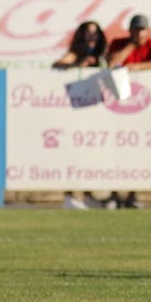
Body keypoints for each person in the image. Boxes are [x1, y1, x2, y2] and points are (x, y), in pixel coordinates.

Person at [105, 14, 151, 208]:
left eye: (143, 30)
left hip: (140, 108)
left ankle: (132, 195)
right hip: (117, 106)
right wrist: (131, 46)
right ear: (130, 31)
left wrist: (136, 67)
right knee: (115, 150)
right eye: (137, 30)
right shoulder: (119, 43)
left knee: (137, 152)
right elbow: (111, 62)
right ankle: (114, 193)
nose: (140, 33)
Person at [53, 20, 109, 209]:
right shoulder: (76, 54)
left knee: (89, 156)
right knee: (73, 153)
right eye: (88, 33)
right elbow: (58, 65)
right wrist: (79, 64)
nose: (91, 37)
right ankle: (70, 195)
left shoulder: (101, 57)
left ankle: (87, 195)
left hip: (95, 112)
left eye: (95, 33)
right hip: (76, 112)